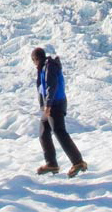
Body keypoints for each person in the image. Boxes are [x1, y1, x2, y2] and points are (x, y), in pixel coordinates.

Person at [32, 47, 87, 176]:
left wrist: (48, 105)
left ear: (35, 59)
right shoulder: (45, 67)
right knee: (44, 132)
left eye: (33, 60)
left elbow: (52, 86)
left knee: (59, 131)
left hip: (54, 104)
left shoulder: (49, 67)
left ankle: (78, 161)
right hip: (51, 104)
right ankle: (51, 163)